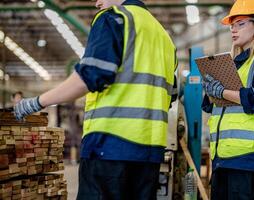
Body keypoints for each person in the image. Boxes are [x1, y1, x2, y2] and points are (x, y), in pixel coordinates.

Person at [14, 0, 177, 199]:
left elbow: (89, 77)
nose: (97, 2)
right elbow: (172, 95)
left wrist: (36, 102)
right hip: (150, 155)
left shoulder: (115, 18)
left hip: (109, 146)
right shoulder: (164, 38)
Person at [201, 0, 254, 199]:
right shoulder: (233, 64)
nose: (233, 30)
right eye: (232, 25)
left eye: (241, 24)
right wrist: (211, 90)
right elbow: (208, 106)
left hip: (248, 159)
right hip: (222, 158)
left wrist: (222, 92)